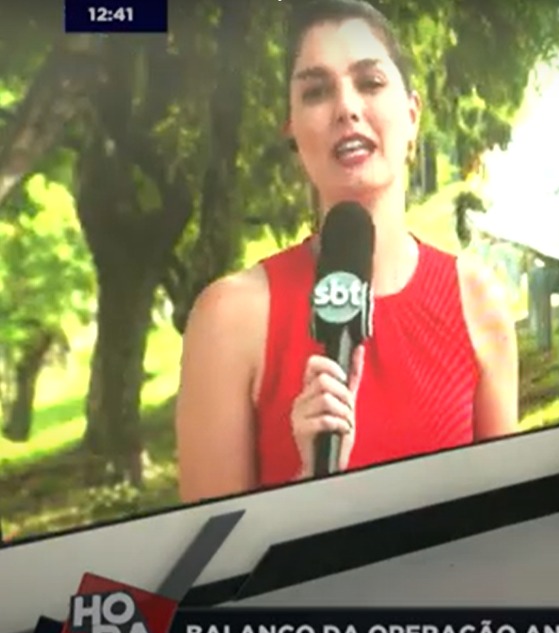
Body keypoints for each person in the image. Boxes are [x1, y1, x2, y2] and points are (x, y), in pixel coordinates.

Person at [175, 0, 519, 503]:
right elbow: (211, 548)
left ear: (412, 115)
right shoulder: (229, 319)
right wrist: (307, 482)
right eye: (316, 91)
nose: (346, 108)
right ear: (292, 130)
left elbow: (509, 520)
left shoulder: (479, 301)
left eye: (370, 82)